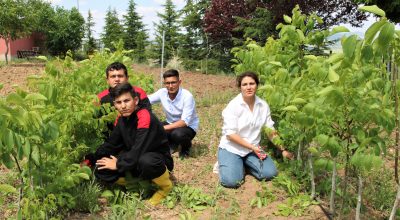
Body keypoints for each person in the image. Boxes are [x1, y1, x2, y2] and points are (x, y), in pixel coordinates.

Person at [86, 82, 173, 205]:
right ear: (115, 104)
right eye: (118, 102)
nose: (123, 106)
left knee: (146, 161)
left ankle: (165, 187)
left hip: (156, 160)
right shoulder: (121, 119)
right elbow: (111, 144)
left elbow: (140, 148)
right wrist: (91, 159)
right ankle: (140, 184)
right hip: (134, 158)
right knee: (101, 166)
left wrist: (119, 164)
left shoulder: (144, 116)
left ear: (136, 100)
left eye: (127, 101)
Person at [217, 71, 293, 188]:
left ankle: (244, 164)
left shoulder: (263, 105)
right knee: (232, 182)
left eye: (252, 83)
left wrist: (283, 149)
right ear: (240, 87)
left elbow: (270, 131)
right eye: (244, 84)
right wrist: (253, 147)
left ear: (257, 85)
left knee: (270, 173)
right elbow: (230, 135)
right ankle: (228, 163)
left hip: (252, 150)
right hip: (232, 148)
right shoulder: (233, 106)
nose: (248, 87)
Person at [148, 69, 199, 158]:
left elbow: (184, 122)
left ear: (179, 82)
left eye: (173, 82)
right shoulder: (162, 93)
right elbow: (146, 100)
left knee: (178, 135)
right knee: (150, 127)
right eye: (167, 83)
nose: (170, 86)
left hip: (187, 127)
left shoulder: (187, 96)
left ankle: (185, 148)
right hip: (170, 123)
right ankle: (171, 144)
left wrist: (162, 128)